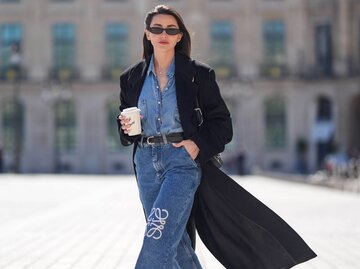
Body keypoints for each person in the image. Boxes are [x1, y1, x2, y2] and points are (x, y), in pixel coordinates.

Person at [118, 5, 316, 269]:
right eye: (157, 28)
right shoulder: (131, 78)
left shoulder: (198, 75)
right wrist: (124, 125)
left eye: (171, 29)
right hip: (145, 162)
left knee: (157, 236)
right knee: (176, 244)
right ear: (147, 34)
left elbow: (222, 124)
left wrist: (195, 145)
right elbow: (126, 132)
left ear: (179, 36)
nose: (163, 33)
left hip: (180, 162)